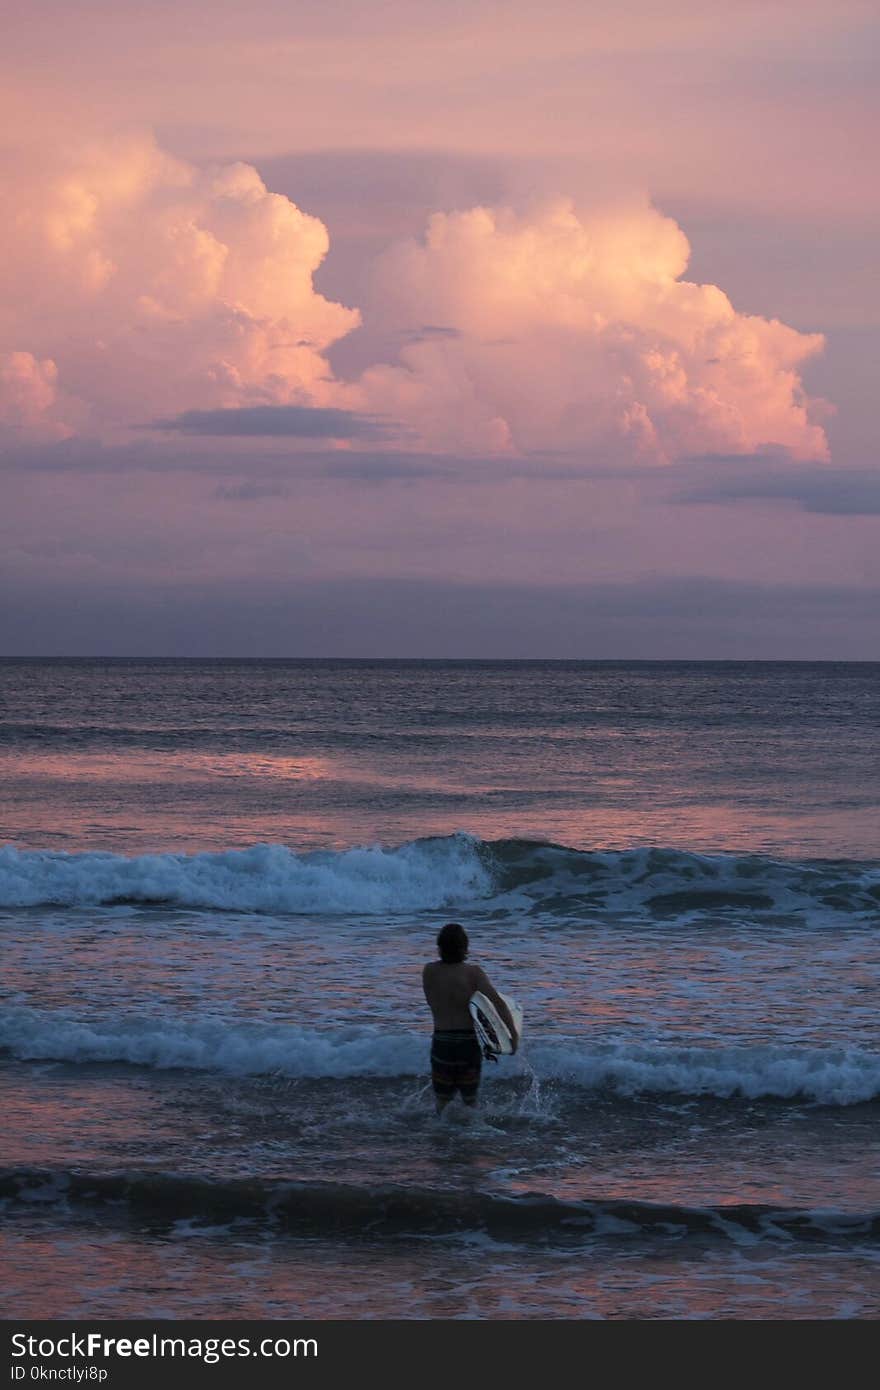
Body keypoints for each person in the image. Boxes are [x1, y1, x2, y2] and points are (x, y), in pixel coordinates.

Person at [422, 921, 518, 1113]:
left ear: (440, 947)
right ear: (465, 947)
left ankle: (439, 1139)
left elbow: (431, 1001)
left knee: (442, 1102)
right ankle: (471, 1137)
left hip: (441, 1041)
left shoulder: (429, 971)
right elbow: (497, 1003)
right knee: (470, 1101)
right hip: (467, 1043)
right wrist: (512, 1035)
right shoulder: (473, 973)